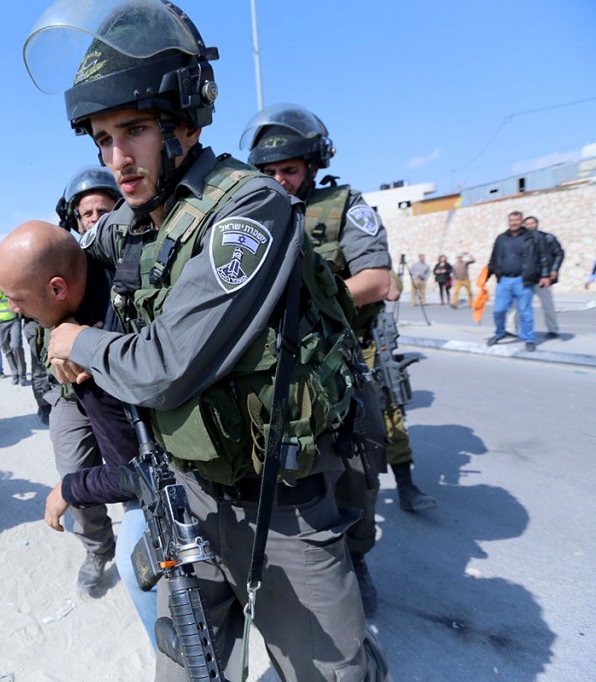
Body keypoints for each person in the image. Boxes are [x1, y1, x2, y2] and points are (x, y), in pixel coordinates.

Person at [24, 3, 389, 679]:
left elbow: (165, 367)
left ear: (184, 123)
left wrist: (75, 340)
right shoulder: (138, 217)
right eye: (102, 138)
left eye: (132, 130)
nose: (116, 159)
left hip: (278, 507)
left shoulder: (249, 209)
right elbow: (67, 260)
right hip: (186, 496)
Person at [243, 103, 436, 618]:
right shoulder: (252, 214)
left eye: (289, 170)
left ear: (311, 165)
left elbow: (378, 281)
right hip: (280, 368)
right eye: (268, 172)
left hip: (342, 364)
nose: (279, 181)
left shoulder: (344, 206)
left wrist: (309, 307)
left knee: (357, 473)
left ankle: (358, 557)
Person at [0, 220, 161, 647]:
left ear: (56, 289)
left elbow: (141, 474)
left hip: (178, 485)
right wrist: (59, 333)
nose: (13, 310)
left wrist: (71, 487)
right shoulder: (102, 289)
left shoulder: (104, 349)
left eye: (17, 300)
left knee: (133, 566)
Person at [36, 165, 123, 590]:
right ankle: (98, 547)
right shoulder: (59, 264)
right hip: (74, 396)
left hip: (123, 393)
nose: (95, 219)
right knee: (74, 472)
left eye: (104, 210)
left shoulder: (136, 257)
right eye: (87, 213)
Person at [486, 210, 551, 352]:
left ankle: (529, 339)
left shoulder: (534, 237)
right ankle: (499, 333)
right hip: (504, 280)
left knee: (525, 311)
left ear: (521, 221)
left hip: (524, 280)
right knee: (498, 310)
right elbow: (494, 257)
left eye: (516, 220)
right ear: (508, 222)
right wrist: (486, 275)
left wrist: (545, 275)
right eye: (511, 221)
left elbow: (544, 257)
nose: (513, 223)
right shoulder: (501, 238)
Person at [522, 215, 564, 339]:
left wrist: (554, 270)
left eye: (532, 223)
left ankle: (553, 330)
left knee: (547, 305)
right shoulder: (521, 240)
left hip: (543, 278)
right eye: (528, 224)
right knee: (518, 305)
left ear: (537, 224)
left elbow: (559, 253)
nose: (530, 226)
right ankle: (511, 329)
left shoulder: (548, 238)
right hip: (527, 278)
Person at [0, 263, 27, 385]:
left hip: (13, 319)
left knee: (16, 346)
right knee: (7, 349)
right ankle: (15, 373)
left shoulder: (10, 278)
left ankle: (22, 374)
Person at [56, 166, 122, 236]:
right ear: (78, 223)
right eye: (88, 214)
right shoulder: (68, 247)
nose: (95, 218)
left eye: (103, 212)